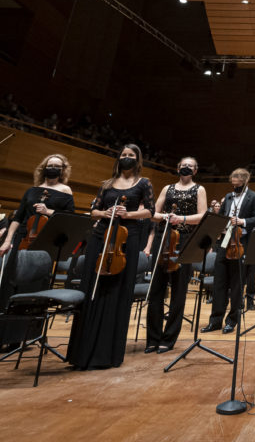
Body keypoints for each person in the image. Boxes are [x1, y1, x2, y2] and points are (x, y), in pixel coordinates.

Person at [67, 144, 153, 370]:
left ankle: (108, 352)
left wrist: (129, 213)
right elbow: (93, 211)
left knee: (117, 289)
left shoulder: (143, 183)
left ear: (137, 159)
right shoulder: (107, 184)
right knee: (92, 287)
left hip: (126, 237)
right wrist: (104, 213)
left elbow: (150, 211)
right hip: (101, 236)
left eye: (131, 155)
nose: (126, 157)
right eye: (123, 154)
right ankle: (82, 351)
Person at [0, 154, 76, 351]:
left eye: (57, 166)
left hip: (43, 244)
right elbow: (18, 217)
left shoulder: (65, 191)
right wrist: (8, 241)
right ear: (43, 167)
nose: (53, 168)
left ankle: (21, 338)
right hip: (22, 240)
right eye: (50, 165)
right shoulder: (31, 190)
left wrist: (48, 212)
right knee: (9, 287)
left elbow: (69, 218)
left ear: (63, 170)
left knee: (32, 289)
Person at [144, 156, 207, 353]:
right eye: (183, 165)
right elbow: (152, 213)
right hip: (163, 238)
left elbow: (203, 216)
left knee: (179, 291)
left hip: (185, 240)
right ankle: (153, 338)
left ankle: (169, 338)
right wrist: (165, 216)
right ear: (178, 168)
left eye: (190, 166)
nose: (186, 167)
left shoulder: (199, 189)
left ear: (195, 171)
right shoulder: (167, 188)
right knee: (156, 289)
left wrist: (182, 218)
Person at [201, 168, 255, 334]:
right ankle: (215, 321)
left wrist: (242, 221)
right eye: (233, 185)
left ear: (245, 182)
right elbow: (221, 216)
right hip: (224, 242)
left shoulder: (254, 197)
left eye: (238, 185)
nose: (235, 188)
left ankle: (231, 321)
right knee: (219, 284)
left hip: (241, 244)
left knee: (236, 286)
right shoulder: (228, 197)